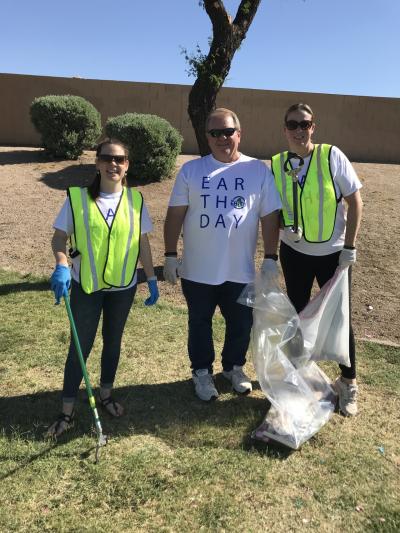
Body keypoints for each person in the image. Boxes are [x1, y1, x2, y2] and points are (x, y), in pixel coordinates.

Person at [163, 108, 281, 401]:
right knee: (199, 322)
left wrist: (270, 257)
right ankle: (201, 373)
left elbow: (269, 216)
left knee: (242, 323)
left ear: (239, 134)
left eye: (228, 132)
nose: (222, 138)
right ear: (207, 137)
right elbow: (175, 215)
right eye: (215, 133)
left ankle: (233, 368)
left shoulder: (258, 171)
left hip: (239, 270)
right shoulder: (191, 171)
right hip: (197, 270)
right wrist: (169, 255)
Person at [46, 138, 159, 436]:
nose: (114, 164)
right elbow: (59, 238)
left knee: (113, 342)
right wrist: (61, 264)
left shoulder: (136, 201)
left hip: (123, 287)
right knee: (79, 349)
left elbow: (143, 244)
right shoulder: (77, 198)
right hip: (87, 288)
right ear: (97, 163)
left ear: (127, 165)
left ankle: (106, 394)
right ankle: (66, 412)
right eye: (107, 158)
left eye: (120, 160)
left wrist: (150, 279)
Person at [271, 103, 363, 416]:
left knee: (339, 318)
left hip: (333, 255)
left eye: (305, 124)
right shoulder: (276, 164)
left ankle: (348, 383)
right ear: (284, 129)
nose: (299, 130)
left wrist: (349, 247)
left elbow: (355, 202)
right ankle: (297, 377)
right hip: (294, 253)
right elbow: (271, 209)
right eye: (293, 124)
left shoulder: (331, 156)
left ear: (314, 127)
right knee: (297, 313)